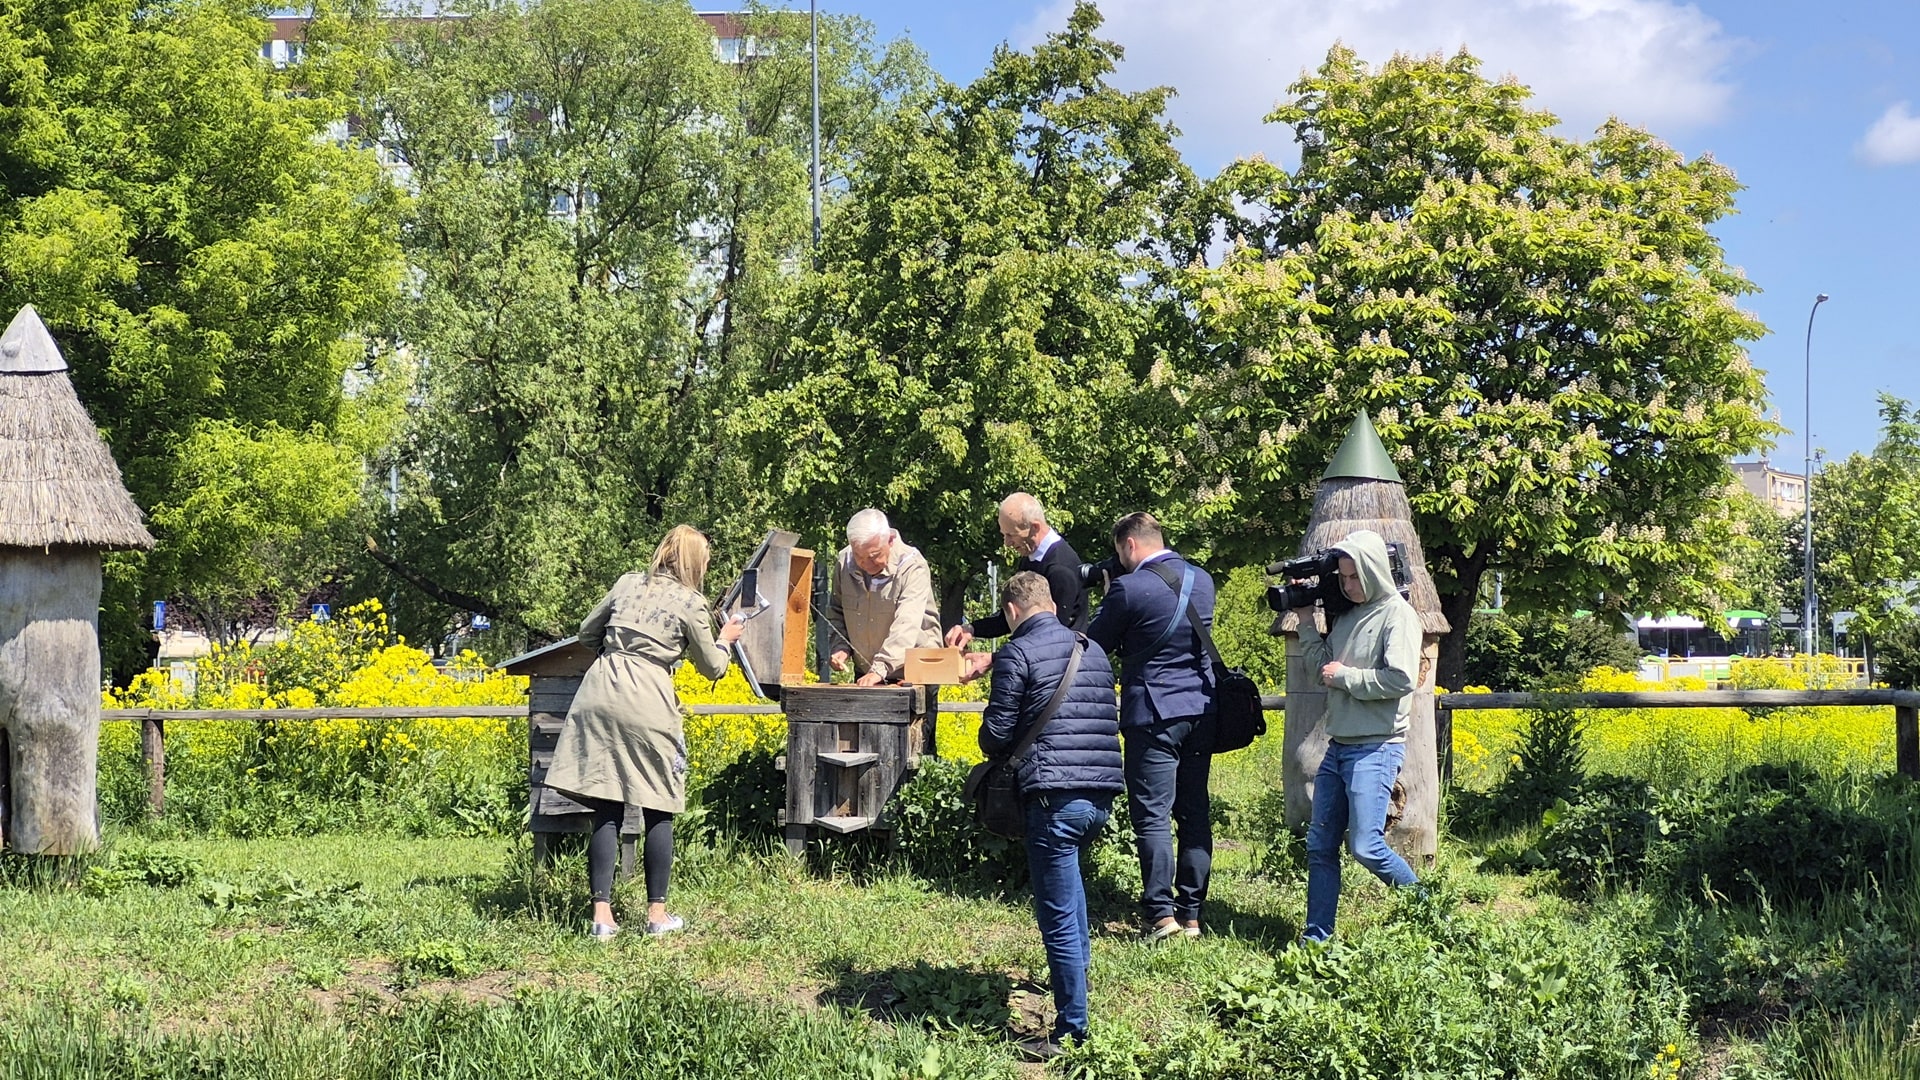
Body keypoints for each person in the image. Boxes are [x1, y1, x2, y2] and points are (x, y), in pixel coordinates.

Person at [543, 525, 743, 941]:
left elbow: (585, 633)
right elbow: (713, 667)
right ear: (694, 562)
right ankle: (656, 916)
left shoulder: (627, 583)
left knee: (606, 803)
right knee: (658, 805)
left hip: (600, 689)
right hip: (648, 696)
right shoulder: (692, 602)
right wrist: (726, 639)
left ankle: (602, 916)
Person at [976, 571, 1123, 1058]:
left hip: (1051, 797)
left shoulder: (1016, 653)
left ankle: (1072, 1031)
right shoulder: (1094, 650)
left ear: (1014, 611)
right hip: (1100, 795)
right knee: (1073, 892)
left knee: (1056, 915)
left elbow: (995, 737)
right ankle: (1077, 979)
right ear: (1052, 606)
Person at [1084, 511, 1216, 942]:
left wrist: (1109, 597)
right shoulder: (1203, 580)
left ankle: (1161, 917)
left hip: (1153, 714)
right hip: (1201, 710)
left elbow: (1095, 645)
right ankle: (1192, 914)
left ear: (1130, 546)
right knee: (1195, 814)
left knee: (1154, 815)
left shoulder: (1127, 587)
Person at [1291, 528, 1423, 943]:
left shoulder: (1398, 615)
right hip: (1339, 745)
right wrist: (1308, 621)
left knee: (1366, 846)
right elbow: (1321, 669)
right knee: (1320, 846)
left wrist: (1345, 676)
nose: (1348, 585)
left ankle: (1428, 908)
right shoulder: (1348, 616)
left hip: (1376, 746)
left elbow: (1401, 678)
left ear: (1373, 571)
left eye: (1355, 577)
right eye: (1343, 578)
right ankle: (1316, 940)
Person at [947, 493, 1089, 680]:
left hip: (1060, 675)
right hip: (1040, 668)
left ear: (1034, 527)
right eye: (1004, 534)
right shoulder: (1031, 558)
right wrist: (971, 629)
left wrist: (993, 659)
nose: (1006, 543)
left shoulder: (1060, 569)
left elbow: (1051, 637)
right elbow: (1013, 617)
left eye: (1011, 535)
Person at [825, 508, 941, 685]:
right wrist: (840, 647)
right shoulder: (844, 562)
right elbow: (836, 611)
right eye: (859, 556)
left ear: (891, 540)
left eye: (874, 556)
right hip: (867, 673)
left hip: (914, 675)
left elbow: (906, 624)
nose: (865, 564)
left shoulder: (912, 566)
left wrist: (881, 668)